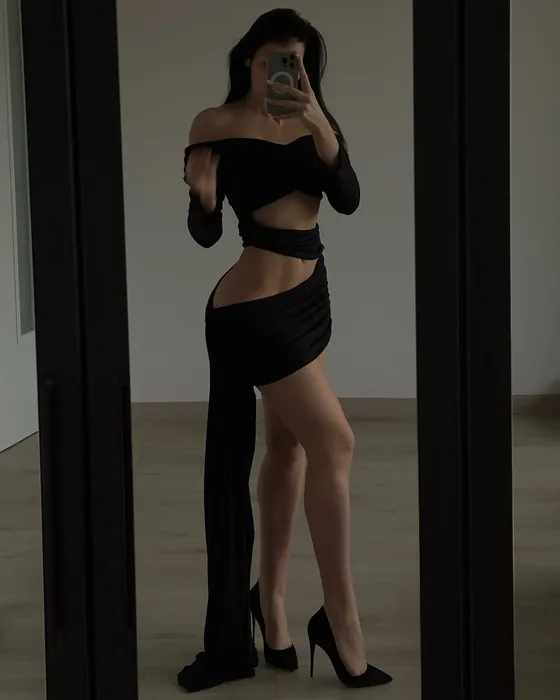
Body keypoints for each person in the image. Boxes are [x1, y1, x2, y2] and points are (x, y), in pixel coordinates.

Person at [177, 8, 392, 694]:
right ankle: (341, 621)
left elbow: (348, 200)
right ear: (249, 59)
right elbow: (206, 234)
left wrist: (322, 128)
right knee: (336, 443)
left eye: (297, 63)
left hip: (310, 301)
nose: (286, 72)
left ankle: (271, 610)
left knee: (291, 449)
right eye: (275, 60)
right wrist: (204, 200)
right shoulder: (213, 123)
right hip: (254, 311)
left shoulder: (314, 122)